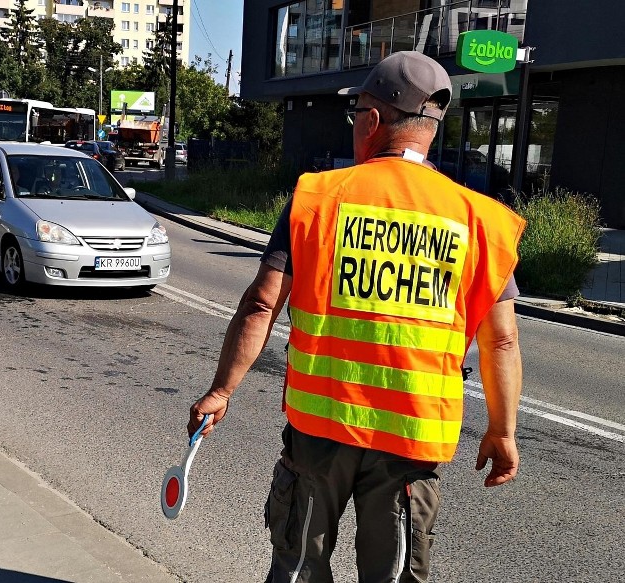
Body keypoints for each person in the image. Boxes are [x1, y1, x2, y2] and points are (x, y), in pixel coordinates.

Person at [187, 51, 525, 583]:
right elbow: (501, 342)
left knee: (299, 565)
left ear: (372, 121)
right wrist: (502, 431)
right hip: (410, 440)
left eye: (356, 116)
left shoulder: (318, 198)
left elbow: (261, 304)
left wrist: (221, 391)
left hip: (320, 429)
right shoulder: (480, 220)